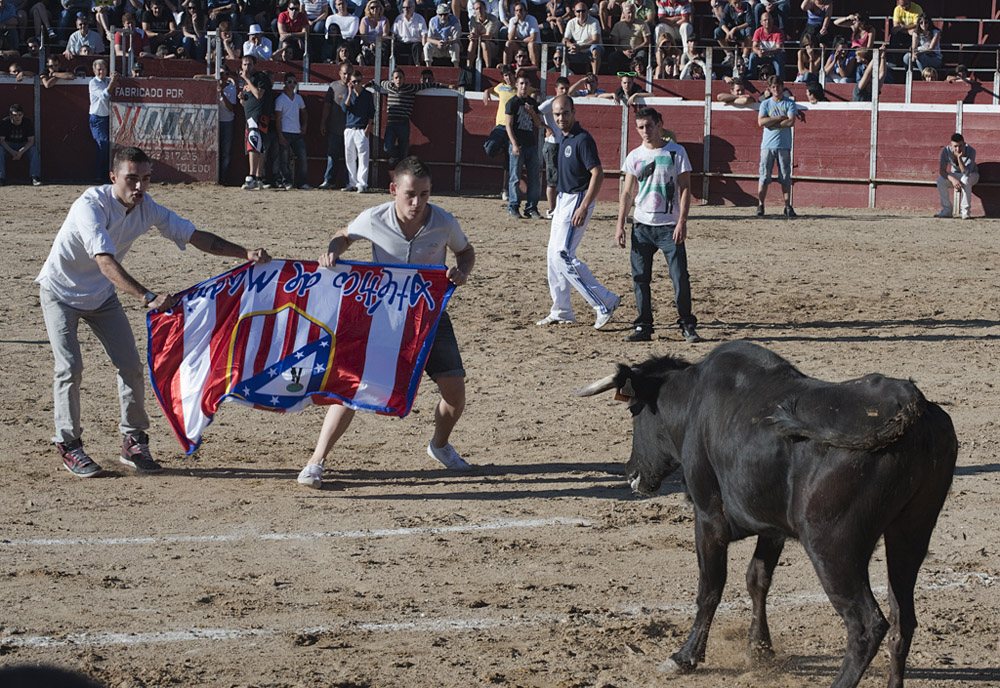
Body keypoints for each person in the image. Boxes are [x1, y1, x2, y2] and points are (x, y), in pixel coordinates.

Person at [36, 146, 272, 478]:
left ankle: (133, 441)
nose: (140, 187)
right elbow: (105, 262)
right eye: (132, 178)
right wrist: (147, 296)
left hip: (101, 297)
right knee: (70, 366)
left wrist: (244, 253)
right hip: (60, 292)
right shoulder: (90, 206)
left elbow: (194, 236)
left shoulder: (146, 208)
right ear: (113, 177)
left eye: (146, 179)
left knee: (131, 365)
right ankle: (69, 444)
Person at [297, 155, 476, 490]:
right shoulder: (374, 217)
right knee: (352, 386)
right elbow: (343, 235)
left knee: (455, 392)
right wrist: (332, 252)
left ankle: (439, 446)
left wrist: (461, 272)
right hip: (383, 318)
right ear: (394, 189)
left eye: (424, 195)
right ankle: (315, 461)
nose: (417, 203)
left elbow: (465, 252)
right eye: (410, 194)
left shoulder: (444, 222)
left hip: (429, 315)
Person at [616, 106, 700, 343]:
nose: (645, 131)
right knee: (640, 277)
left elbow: (685, 188)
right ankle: (643, 325)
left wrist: (682, 221)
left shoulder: (677, 152)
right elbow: (627, 193)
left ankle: (686, 324)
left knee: (679, 276)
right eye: (641, 127)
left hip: (669, 226)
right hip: (641, 225)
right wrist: (620, 223)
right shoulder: (634, 155)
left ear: (660, 125)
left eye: (649, 126)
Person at [536, 94, 620, 329]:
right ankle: (561, 309)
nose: (561, 118)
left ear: (574, 113)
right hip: (563, 198)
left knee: (563, 254)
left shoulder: (582, 139)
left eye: (565, 113)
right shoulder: (563, 137)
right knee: (553, 255)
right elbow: (539, 109)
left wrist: (583, 206)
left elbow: (598, 173)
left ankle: (605, 302)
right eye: (557, 114)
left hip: (577, 197)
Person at [370, 66, 451, 166]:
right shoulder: (389, 86)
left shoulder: (410, 88)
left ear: (404, 79)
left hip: (404, 123)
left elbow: (431, 84)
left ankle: (399, 162)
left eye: (400, 77)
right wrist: (365, 85)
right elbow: (376, 81)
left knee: (404, 153)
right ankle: (395, 156)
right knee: (387, 147)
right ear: (392, 79)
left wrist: (448, 87)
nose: (398, 80)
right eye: (396, 78)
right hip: (391, 123)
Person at [756, 73, 797, 218]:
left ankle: (787, 206)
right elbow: (761, 122)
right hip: (768, 145)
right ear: (770, 88)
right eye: (773, 87)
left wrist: (770, 121)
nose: (776, 89)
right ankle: (761, 205)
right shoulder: (766, 104)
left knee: (785, 177)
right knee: (764, 176)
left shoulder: (789, 103)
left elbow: (791, 122)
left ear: (782, 87)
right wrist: (778, 118)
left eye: (778, 86)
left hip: (783, 145)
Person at [504, 69, 542, 220]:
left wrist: (532, 113)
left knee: (534, 178)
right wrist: (514, 144)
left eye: (526, 84)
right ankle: (513, 206)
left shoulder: (532, 103)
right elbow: (508, 125)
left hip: (531, 144)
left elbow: (538, 124)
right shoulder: (512, 102)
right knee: (515, 177)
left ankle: (531, 208)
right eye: (521, 84)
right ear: (516, 85)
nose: (524, 86)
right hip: (518, 144)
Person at [238, 54, 274, 190]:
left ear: (254, 65)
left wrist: (247, 79)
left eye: (249, 64)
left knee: (253, 144)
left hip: (258, 115)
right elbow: (245, 103)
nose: (247, 67)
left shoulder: (260, 78)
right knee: (259, 146)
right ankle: (259, 178)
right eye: (244, 64)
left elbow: (259, 95)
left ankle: (251, 176)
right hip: (251, 115)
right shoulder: (248, 82)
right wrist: (242, 98)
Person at [537, 75, 569, 218]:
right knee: (552, 179)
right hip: (551, 144)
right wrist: (545, 127)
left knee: (560, 178)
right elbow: (535, 112)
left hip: (561, 144)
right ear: (556, 89)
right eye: (562, 88)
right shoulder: (550, 103)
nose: (564, 91)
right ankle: (551, 210)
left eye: (566, 88)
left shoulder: (565, 102)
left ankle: (557, 209)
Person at [274, 72, 311, 190]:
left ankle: (302, 182)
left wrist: (304, 125)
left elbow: (304, 112)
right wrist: (280, 135)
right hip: (285, 131)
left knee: (302, 158)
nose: (292, 84)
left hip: (296, 132)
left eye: (294, 82)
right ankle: (287, 181)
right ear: (284, 83)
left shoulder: (298, 98)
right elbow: (278, 118)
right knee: (284, 159)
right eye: (289, 82)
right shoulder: (280, 99)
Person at [342, 68, 374, 192]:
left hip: (361, 129)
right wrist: (349, 92)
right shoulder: (348, 93)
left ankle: (362, 183)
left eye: (358, 81)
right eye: (354, 82)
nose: (356, 84)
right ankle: (352, 183)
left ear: (362, 81)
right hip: (349, 128)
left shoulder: (366, 95)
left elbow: (371, 112)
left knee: (363, 158)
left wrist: (368, 128)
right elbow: (344, 108)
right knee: (350, 157)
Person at [319, 61, 351, 189]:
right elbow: (327, 106)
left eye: (349, 74)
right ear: (339, 73)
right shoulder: (333, 87)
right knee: (332, 155)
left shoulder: (355, 87)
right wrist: (323, 122)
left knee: (349, 157)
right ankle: (329, 180)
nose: (347, 77)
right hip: (334, 127)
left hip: (349, 128)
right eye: (344, 74)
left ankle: (349, 182)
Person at [936, 133, 978, 220]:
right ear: (951, 145)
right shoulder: (946, 151)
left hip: (972, 175)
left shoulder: (971, 151)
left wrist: (959, 158)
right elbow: (942, 171)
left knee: (965, 179)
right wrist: (953, 180)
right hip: (956, 175)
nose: (958, 149)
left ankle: (965, 211)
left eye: (961, 146)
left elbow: (966, 172)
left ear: (964, 144)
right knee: (940, 180)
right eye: (955, 146)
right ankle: (947, 210)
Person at [88, 59, 116, 182]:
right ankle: (100, 176)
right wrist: (114, 81)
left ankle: (106, 174)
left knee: (109, 146)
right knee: (103, 145)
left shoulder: (109, 81)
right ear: (94, 71)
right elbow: (105, 95)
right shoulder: (93, 83)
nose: (101, 71)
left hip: (110, 117)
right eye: (98, 69)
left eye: (103, 69)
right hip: (98, 118)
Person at [0, 104, 41, 186]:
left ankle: (35, 177)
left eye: (19, 115)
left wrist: (20, 152)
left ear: (23, 115)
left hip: (23, 146)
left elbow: (30, 141)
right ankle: (1, 178)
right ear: (10, 115)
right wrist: (12, 152)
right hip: (9, 146)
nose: (17, 117)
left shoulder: (27, 123)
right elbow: (2, 141)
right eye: (15, 115)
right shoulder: (5, 122)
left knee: (34, 150)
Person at [608, 1, 649, 75]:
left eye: (633, 12)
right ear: (624, 14)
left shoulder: (642, 24)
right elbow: (615, 44)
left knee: (641, 56)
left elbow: (647, 41)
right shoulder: (618, 25)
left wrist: (636, 49)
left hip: (637, 50)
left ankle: (641, 77)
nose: (631, 15)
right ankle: (613, 78)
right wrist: (624, 51)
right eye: (629, 13)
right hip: (623, 51)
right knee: (612, 56)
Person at [563, 1, 601, 74]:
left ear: (587, 11)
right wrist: (572, 45)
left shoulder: (594, 22)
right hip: (575, 49)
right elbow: (565, 39)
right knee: (560, 50)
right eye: (578, 11)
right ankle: (565, 75)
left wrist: (580, 47)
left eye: (583, 11)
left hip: (589, 49)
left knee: (595, 49)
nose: (581, 13)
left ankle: (595, 76)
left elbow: (596, 40)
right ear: (574, 12)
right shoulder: (571, 22)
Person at [217, 63, 239, 184]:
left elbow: (231, 108)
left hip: (227, 121)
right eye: (219, 74)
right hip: (215, 121)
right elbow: (196, 77)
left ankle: (223, 177)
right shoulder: (213, 85)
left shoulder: (231, 88)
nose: (222, 77)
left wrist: (221, 94)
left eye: (224, 74)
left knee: (225, 152)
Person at [748, 9, 783, 80]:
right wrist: (758, 52)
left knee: (779, 57)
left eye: (769, 20)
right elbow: (754, 47)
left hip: (774, 55)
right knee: (752, 56)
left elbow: (779, 48)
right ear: (761, 22)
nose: (767, 22)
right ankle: (751, 77)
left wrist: (768, 53)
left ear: (773, 21)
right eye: (765, 20)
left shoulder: (778, 32)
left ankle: (780, 79)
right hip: (763, 55)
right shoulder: (758, 31)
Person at [424, 2, 461, 67]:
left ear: (449, 13)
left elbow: (457, 39)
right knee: (427, 46)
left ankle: (456, 67)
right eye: (441, 15)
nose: (443, 17)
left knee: (455, 46)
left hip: (449, 46)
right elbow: (428, 38)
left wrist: (447, 42)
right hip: (437, 46)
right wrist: (437, 42)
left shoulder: (455, 21)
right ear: (437, 14)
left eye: (445, 14)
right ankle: (428, 67)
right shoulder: (433, 21)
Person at [503, 1, 539, 67]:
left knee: (531, 44)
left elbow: (533, 38)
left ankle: (534, 68)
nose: (519, 12)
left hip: (533, 45)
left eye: (521, 10)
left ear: (526, 11)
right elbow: (510, 38)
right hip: (519, 46)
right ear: (514, 12)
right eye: (517, 10)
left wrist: (519, 40)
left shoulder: (532, 19)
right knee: (508, 43)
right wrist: (516, 23)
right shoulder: (512, 20)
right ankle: (506, 67)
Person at [392, 0, 427, 65]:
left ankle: (418, 66)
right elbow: (393, 34)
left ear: (413, 8)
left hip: (415, 43)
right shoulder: (398, 18)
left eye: (408, 7)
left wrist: (424, 50)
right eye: (404, 7)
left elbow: (424, 35)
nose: (405, 9)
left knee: (417, 46)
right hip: (402, 43)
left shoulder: (419, 18)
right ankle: (396, 66)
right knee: (393, 46)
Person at [467, 0, 500, 67]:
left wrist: (476, 36)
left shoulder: (493, 19)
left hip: (492, 45)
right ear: (474, 10)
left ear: (485, 8)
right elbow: (474, 32)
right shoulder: (473, 19)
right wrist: (472, 36)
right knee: (472, 42)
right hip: (478, 43)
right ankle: (468, 67)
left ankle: (488, 67)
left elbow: (489, 36)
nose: (479, 10)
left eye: (480, 8)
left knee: (484, 43)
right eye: (477, 9)